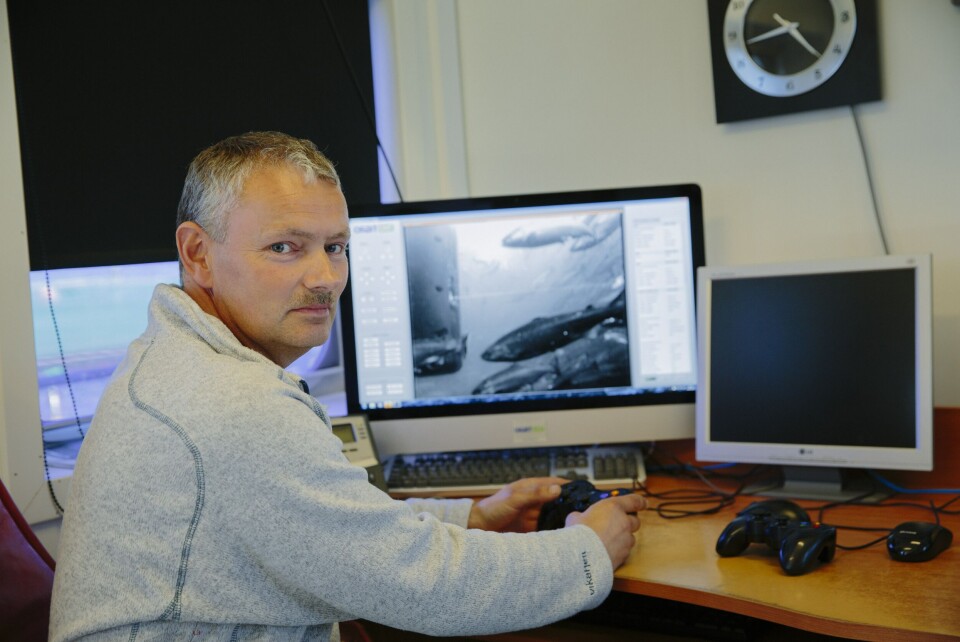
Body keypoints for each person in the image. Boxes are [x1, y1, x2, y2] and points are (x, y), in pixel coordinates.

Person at [49, 131, 647, 641]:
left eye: (336, 248)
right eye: (285, 248)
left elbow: (331, 529)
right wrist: (587, 552)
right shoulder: (233, 405)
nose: (325, 279)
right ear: (198, 253)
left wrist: (473, 517)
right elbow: (426, 585)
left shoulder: (170, 358)